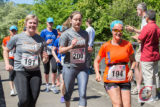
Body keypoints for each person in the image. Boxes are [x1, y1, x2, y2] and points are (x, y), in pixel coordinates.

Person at [3, 14, 48, 107]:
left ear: (37, 25)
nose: (32, 25)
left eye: (34, 23)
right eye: (30, 23)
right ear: (26, 24)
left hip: (35, 72)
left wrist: (45, 59)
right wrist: (7, 64)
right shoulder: (17, 37)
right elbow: (6, 50)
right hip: (20, 71)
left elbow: (44, 59)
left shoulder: (41, 40)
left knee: (33, 100)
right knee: (24, 100)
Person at [94, 20, 136, 107]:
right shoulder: (105, 46)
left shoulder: (128, 45)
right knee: (118, 104)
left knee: (127, 105)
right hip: (110, 79)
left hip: (125, 79)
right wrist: (97, 73)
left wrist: (132, 70)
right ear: (112, 31)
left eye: (120, 30)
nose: (118, 32)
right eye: (115, 30)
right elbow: (96, 61)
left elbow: (133, 61)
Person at [59, 11, 92, 107]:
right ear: (71, 20)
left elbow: (85, 48)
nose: (78, 22)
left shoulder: (85, 33)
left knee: (83, 94)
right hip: (70, 67)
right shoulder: (66, 34)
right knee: (68, 93)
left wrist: (88, 50)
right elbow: (60, 50)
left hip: (82, 68)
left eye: (80, 20)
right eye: (75, 19)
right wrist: (71, 46)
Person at [132, 10, 160, 101]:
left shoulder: (146, 27)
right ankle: (155, 95)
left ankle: (149, 97)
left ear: (147, 17)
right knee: (155, 76)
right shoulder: (157, 27)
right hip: (155, 55)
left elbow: (140, 40)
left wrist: (135, 37)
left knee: (148, 77)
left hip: (147, 55)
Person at [125, 2, 147, 94]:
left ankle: (139, 88)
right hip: (143, 45)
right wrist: (136, 33)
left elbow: (145, 33)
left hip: (144, 46)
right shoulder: (144, 19)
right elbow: (143, 32)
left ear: (141, 10)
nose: (136, 12)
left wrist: (133, 30)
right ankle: (139, 87)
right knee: (138, 66)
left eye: (137, 10)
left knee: (138, 66)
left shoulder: (145, 19)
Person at [40, 17, 59, 93]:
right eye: (49, 23)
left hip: (53, 53)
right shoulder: (43, 32)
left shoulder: (55, 31)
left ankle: (53, 85)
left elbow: (57, 40)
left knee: (54, 68)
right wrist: (46, 43)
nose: (50, 24)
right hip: (45, 53)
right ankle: (47, 85)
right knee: (46, 70)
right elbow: (40, 43)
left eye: (52, 23)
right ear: (46, 23)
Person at [2, 25, 18, 96]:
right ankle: (12, 89)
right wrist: (5, 49)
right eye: (12, 31)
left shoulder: (19, 38)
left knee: (18, 74)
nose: (13, 32)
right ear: (10, 31)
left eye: (14, 31)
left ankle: (19, 88)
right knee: (11, 74)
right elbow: (3, 45)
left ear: (16, 31)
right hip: (10, 58)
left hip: (18, 59)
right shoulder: (6, 39)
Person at [52, 25, 65, 103]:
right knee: (63, 80)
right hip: (61, 62)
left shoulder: (70, 40)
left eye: (64, 31)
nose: (63, 32)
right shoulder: (57, 40)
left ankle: (65, 93)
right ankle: (62, 96)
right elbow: (53, 50)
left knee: (68, 81)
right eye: (61, 31)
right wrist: (56, 58)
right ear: (59, 32)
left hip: (69, 63)